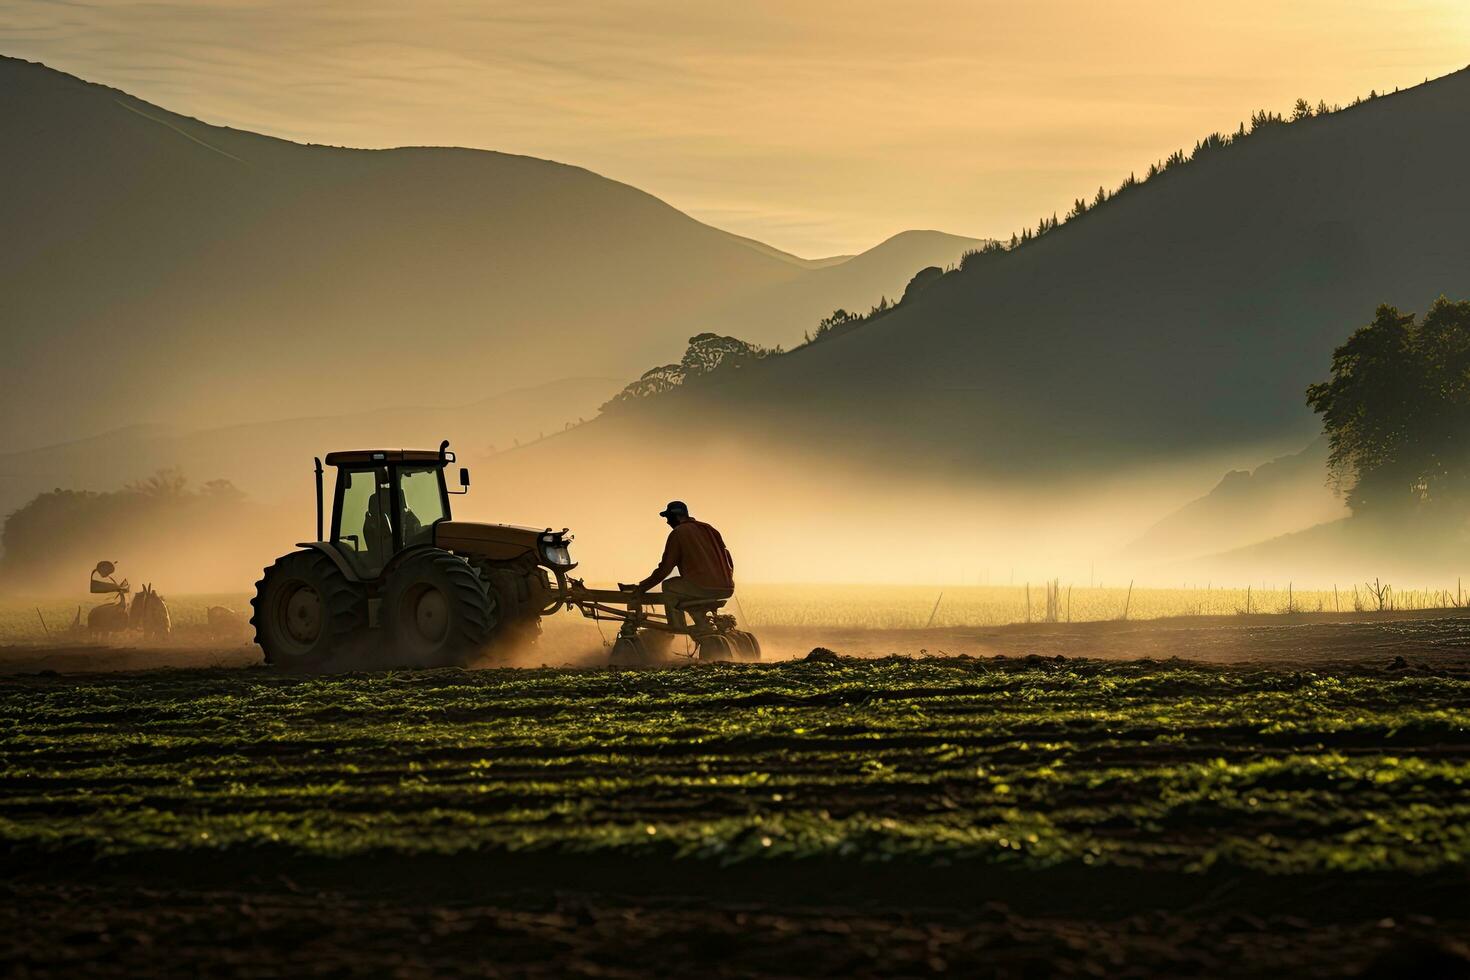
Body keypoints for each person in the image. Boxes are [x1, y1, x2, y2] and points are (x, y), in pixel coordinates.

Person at [620, 501, 734, 632]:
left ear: (677, 516)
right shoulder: (710, 530)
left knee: (669, 585)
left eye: (669, 518)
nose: (667, 522)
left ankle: (677, 627)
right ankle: (701, 622)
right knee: (687, 589)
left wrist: (642, 588)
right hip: (726, 588)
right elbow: (728, 559)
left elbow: (665, 569)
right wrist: (726, 580)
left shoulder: (679, 533)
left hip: (703, 587)